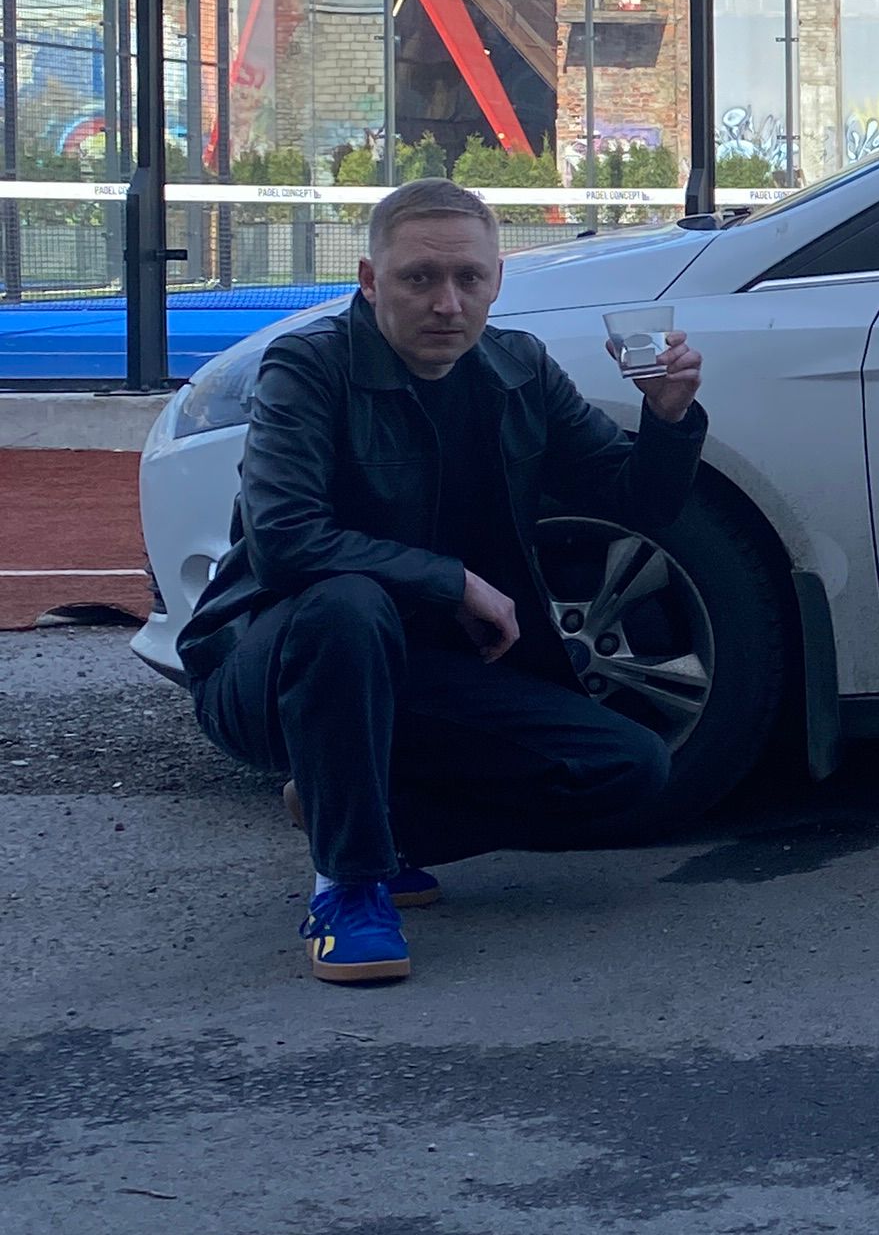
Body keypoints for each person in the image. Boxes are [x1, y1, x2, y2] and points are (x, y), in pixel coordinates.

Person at [181, 179, 708, 987]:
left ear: (497, 280)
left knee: (630, 767)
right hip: (275, 666)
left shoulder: (519, 368)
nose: (447, 303)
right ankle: (350, 887)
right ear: (370, 280)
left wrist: (668, 420)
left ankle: (365, 818)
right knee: (348, 603)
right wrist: (453, 581)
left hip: (428, 676)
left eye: (469, 278)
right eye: (419, 278)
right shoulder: (308, 365)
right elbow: (285, 542)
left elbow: (632, 498)